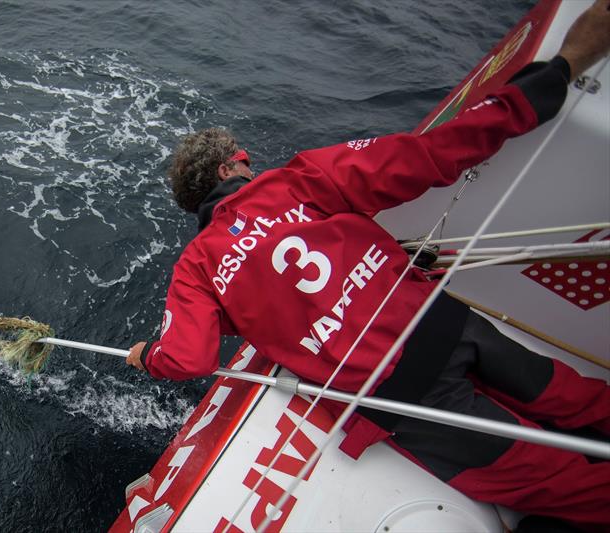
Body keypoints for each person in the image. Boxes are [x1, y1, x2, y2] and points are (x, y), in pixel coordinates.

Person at [127, 2, 610, 530]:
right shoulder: (297, 179)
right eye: (243, 157)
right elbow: (429, 156)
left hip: (399, 394)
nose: (251, 160)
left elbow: (190, 357)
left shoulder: (196, 268)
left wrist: (147, 355)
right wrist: (561, 66)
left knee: (559, 487)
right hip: (443, 323)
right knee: (576, 399)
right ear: (228, 168)